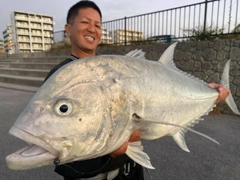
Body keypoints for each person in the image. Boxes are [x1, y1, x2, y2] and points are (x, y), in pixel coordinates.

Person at [43, 1, 230, 180]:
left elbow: (161, 97)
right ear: (68, 29)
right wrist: (112, 153)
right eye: (85, 22)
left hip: (131, 172)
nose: (92, 29)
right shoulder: (61, 78)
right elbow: (60, 156)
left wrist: (209, 94)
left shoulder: (112, 69)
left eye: (98, 25)